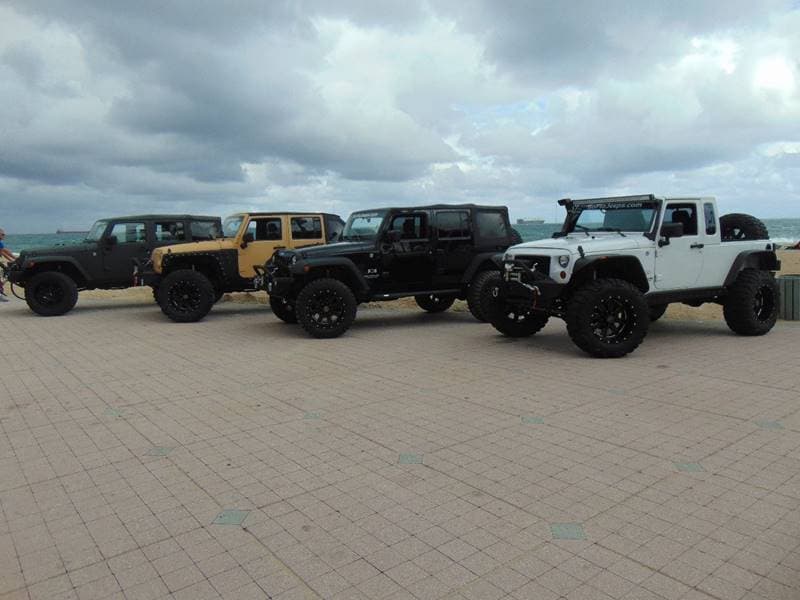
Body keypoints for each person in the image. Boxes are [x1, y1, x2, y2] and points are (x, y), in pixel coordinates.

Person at [0, 228, 14, 301]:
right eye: (2, 234)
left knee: (6, 273)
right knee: (7, 273)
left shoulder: (0, 243)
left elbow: (6, 251)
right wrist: (12, 260)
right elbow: (3, 253)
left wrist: (14, 258)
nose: (4, 235)